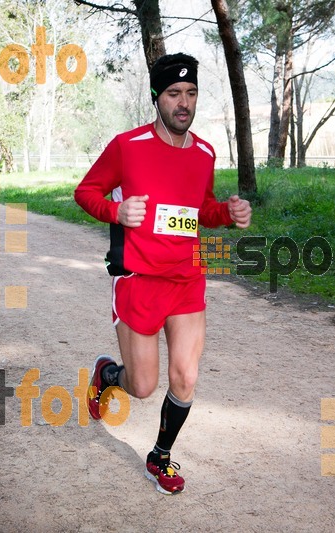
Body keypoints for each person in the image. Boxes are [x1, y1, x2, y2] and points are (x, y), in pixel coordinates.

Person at [73, 53, 252, 495]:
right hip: (139, 280)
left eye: (191, 94)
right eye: (174, 93)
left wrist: (227, 214)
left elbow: (199, 211)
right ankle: (107, 376)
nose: (184, 103)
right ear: (157, 97)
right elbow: (85, 191)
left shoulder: (206, 152)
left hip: (187, 278)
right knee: (143, 385)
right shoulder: (127, 146)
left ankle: (160, 455)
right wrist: (116, 210)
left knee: (186, 378)